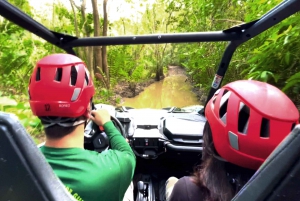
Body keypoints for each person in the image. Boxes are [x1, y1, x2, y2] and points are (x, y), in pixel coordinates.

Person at [166, 80, 299, 201]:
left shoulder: (188, 191)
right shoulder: (291, 191)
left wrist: (178, 188)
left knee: (172, 182)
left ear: (211, 140)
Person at [28, 53, 136, 201]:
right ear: (87, 108)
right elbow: (128, 154)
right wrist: (107, 123)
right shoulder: (115, 167)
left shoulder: (20, 166)